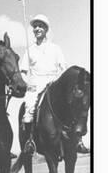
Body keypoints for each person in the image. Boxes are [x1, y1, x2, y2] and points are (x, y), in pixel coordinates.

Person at [21, 14, 88, 154]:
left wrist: (59, 82)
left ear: (46, 29)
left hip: (54, 83)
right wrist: (28, 84)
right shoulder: (29, 50)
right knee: (28, 109)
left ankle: (78, 141)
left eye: (40, 26)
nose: (37, 28)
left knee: (74, 104)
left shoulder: (55, 48)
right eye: (35, 26)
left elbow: (63, 69)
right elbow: (22, 71)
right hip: (36, 85)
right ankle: (30, 141)